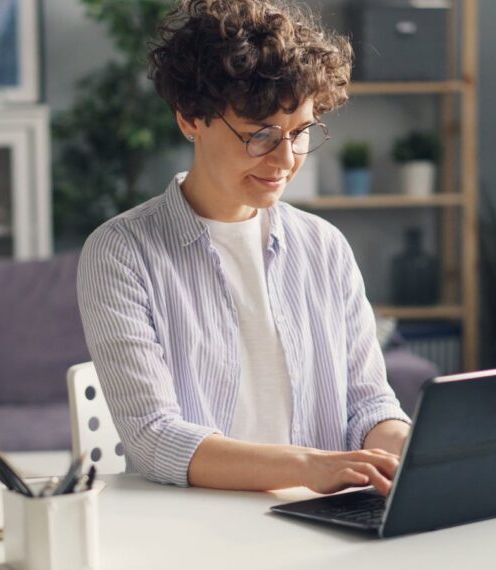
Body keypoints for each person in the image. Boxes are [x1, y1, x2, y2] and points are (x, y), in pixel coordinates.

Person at [77, 0, 410, 496]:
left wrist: (407, 448)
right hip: (195, 527)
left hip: (323, 521)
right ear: (190, 118)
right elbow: (153, 437)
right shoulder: (122, 253)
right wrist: (307, 466)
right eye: (261, 135)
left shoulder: (324, 248)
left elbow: (368, 405)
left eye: (299, 134)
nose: (284, 160)